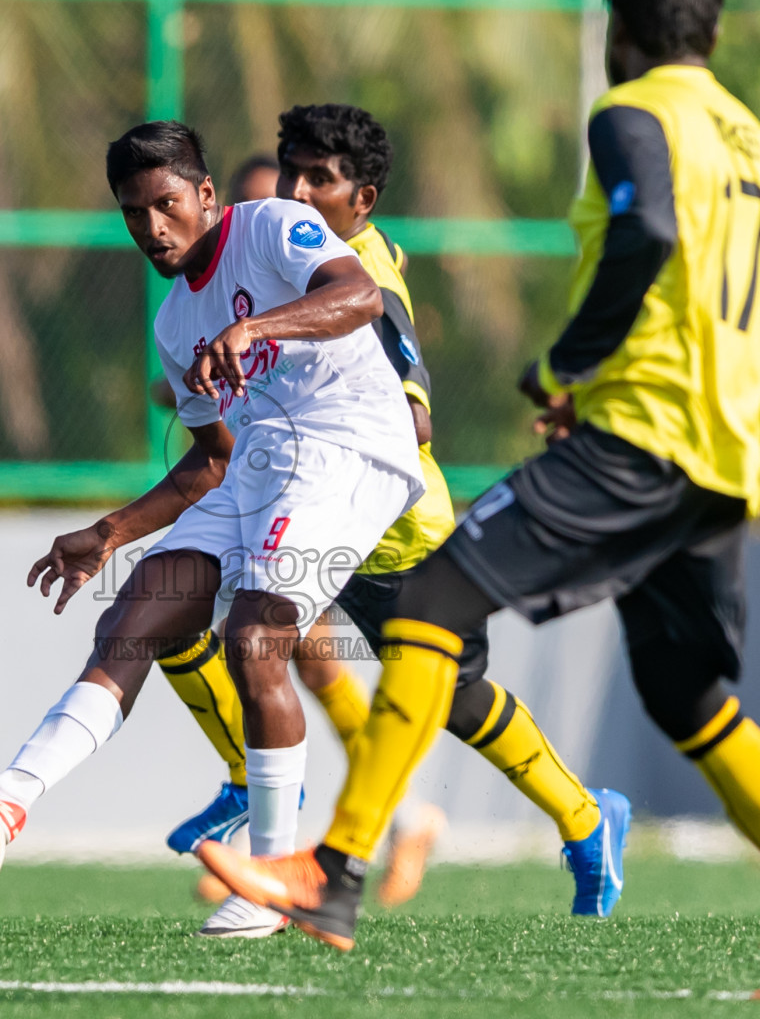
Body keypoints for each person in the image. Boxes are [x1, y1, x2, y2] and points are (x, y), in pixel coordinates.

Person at [198, 0, 760, 999]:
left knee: (437, 604)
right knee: (691, 699)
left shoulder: (632, 116)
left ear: (624, 29)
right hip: (721, 453)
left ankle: (334, 872)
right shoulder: (748, 133)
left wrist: (572, 366)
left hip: (640, 436)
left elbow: (648, 230)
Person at [162, 105, 629, 917]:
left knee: (455, 698)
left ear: (363, 198)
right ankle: (253, 787)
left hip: (383, 524)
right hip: (295, 501)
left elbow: (414, 420)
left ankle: (586, 820)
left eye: (322, 179)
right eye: (291, 171)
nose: (298, 192)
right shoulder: (279, 249)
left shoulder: (366, 276)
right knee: (191, 614)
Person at [0, 120, 426, 940]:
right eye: (133, 213)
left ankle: (270, 885)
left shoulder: (268, 224)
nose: (152, 227)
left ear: (207, 196)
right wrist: (110, 532)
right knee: (133, 611)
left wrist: (259, 326)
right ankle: (8, 800)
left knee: (257, 640)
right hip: (259, 463)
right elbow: (209, 463)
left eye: (166, 204)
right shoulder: (175, 326)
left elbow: (359, 296)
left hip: (352, 445)